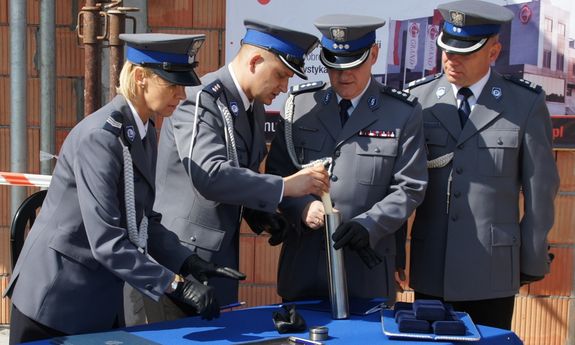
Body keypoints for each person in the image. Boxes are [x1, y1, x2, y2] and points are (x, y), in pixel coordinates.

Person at [4, 33, 246, 344]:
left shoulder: (144, 131)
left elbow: (143, 220)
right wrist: (176, 285)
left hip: (96, 297)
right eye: (173, 84)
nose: (182, 95)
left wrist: (188, 262)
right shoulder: (101, 138)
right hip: (57, 300)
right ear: (142, 77)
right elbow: (107, 240)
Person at [150, 20, 329, 320]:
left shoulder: (251, 106)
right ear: (256, 61)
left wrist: (259, 214)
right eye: (281, 75)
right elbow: (210, 176)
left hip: (217, 262)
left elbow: (239, 175)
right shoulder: (201, 98)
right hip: (178, 264)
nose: (284, 87)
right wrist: (285, 187)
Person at [405, 0, 560, 330]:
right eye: (446, 49)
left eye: (465, 52)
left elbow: (540, 190)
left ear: (493, 52)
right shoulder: (418, 100)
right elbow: (399, 184)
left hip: (492, 271)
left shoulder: (524, 104)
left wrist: (531, 259)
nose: (451, 59)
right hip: (432, 265)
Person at [265, 14, 428, 303]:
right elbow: (278, 174)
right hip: (303, 267)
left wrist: (370, 224)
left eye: (354, 64)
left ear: (374, 54)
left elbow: (410, 186)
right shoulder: (301, 105)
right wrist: (302, 208)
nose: (344, 76)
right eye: (334, 66)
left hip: (365, 268)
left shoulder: (402, 113)